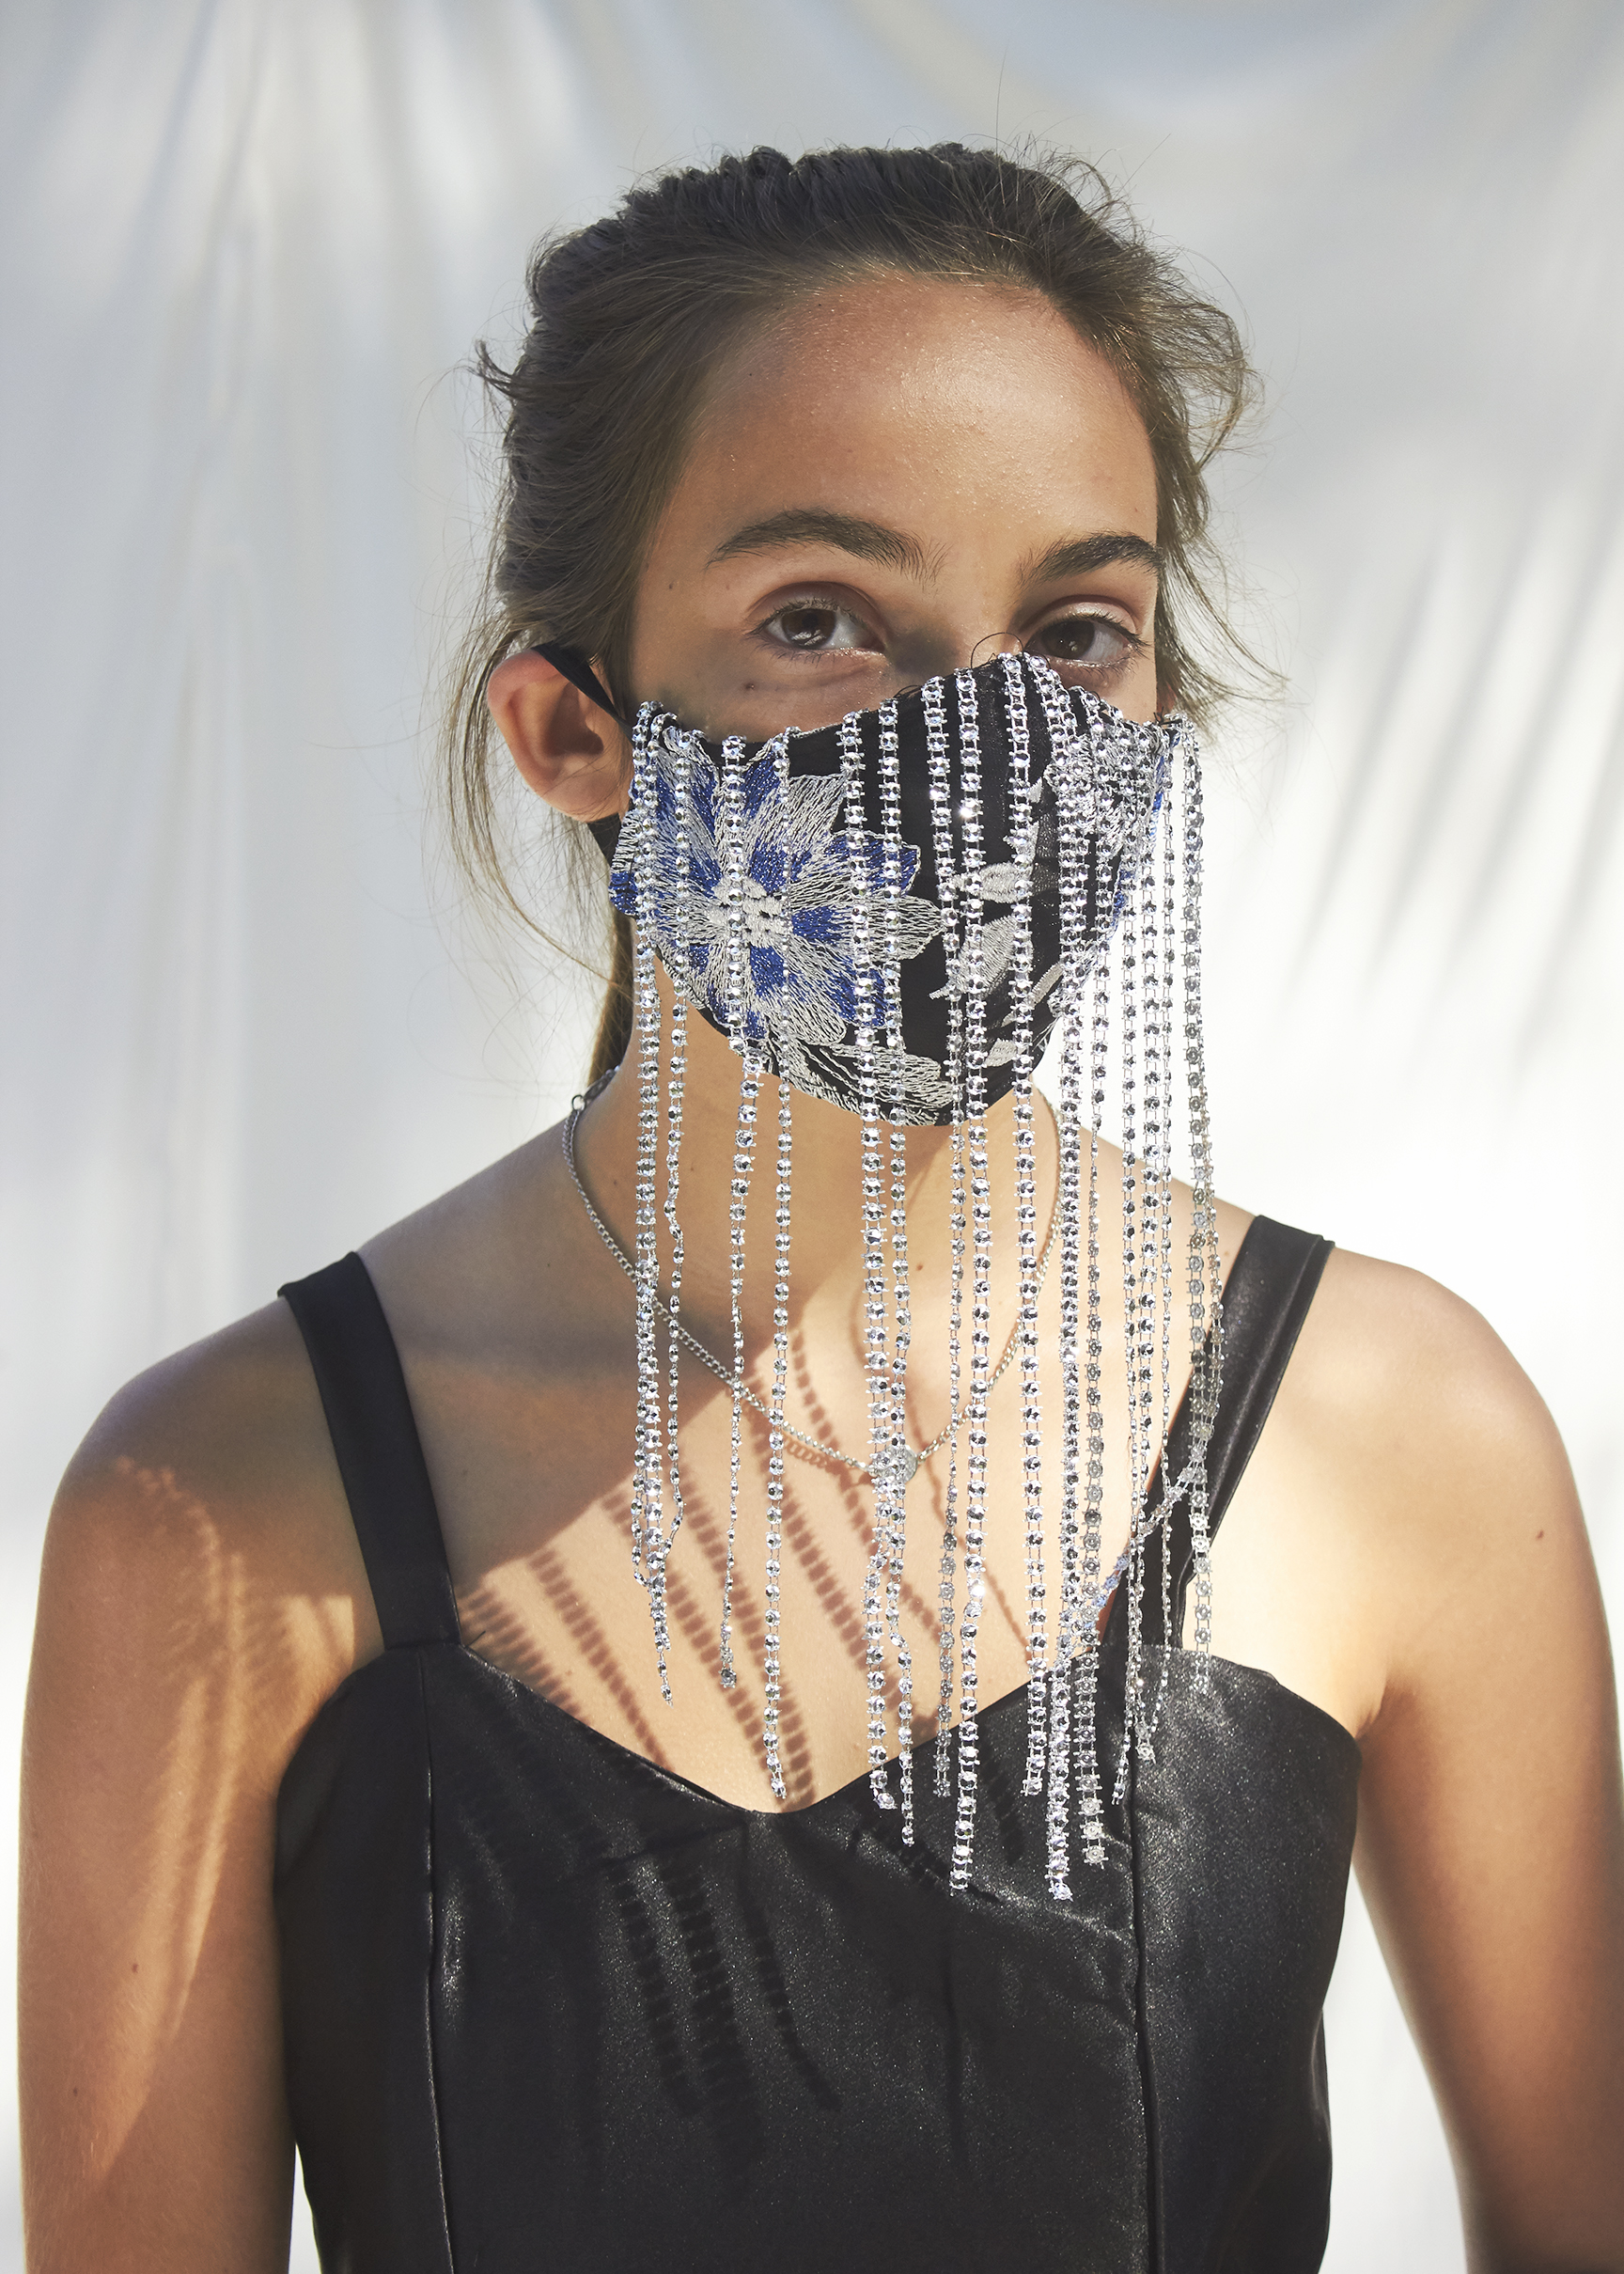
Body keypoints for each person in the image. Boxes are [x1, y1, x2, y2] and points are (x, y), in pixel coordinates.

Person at [19, 144, 1623, 2274]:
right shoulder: (224, 1497)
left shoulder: (1391, 1434)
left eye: (1075, 632)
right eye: (821, 621)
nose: (980, 745)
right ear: (570, 727)